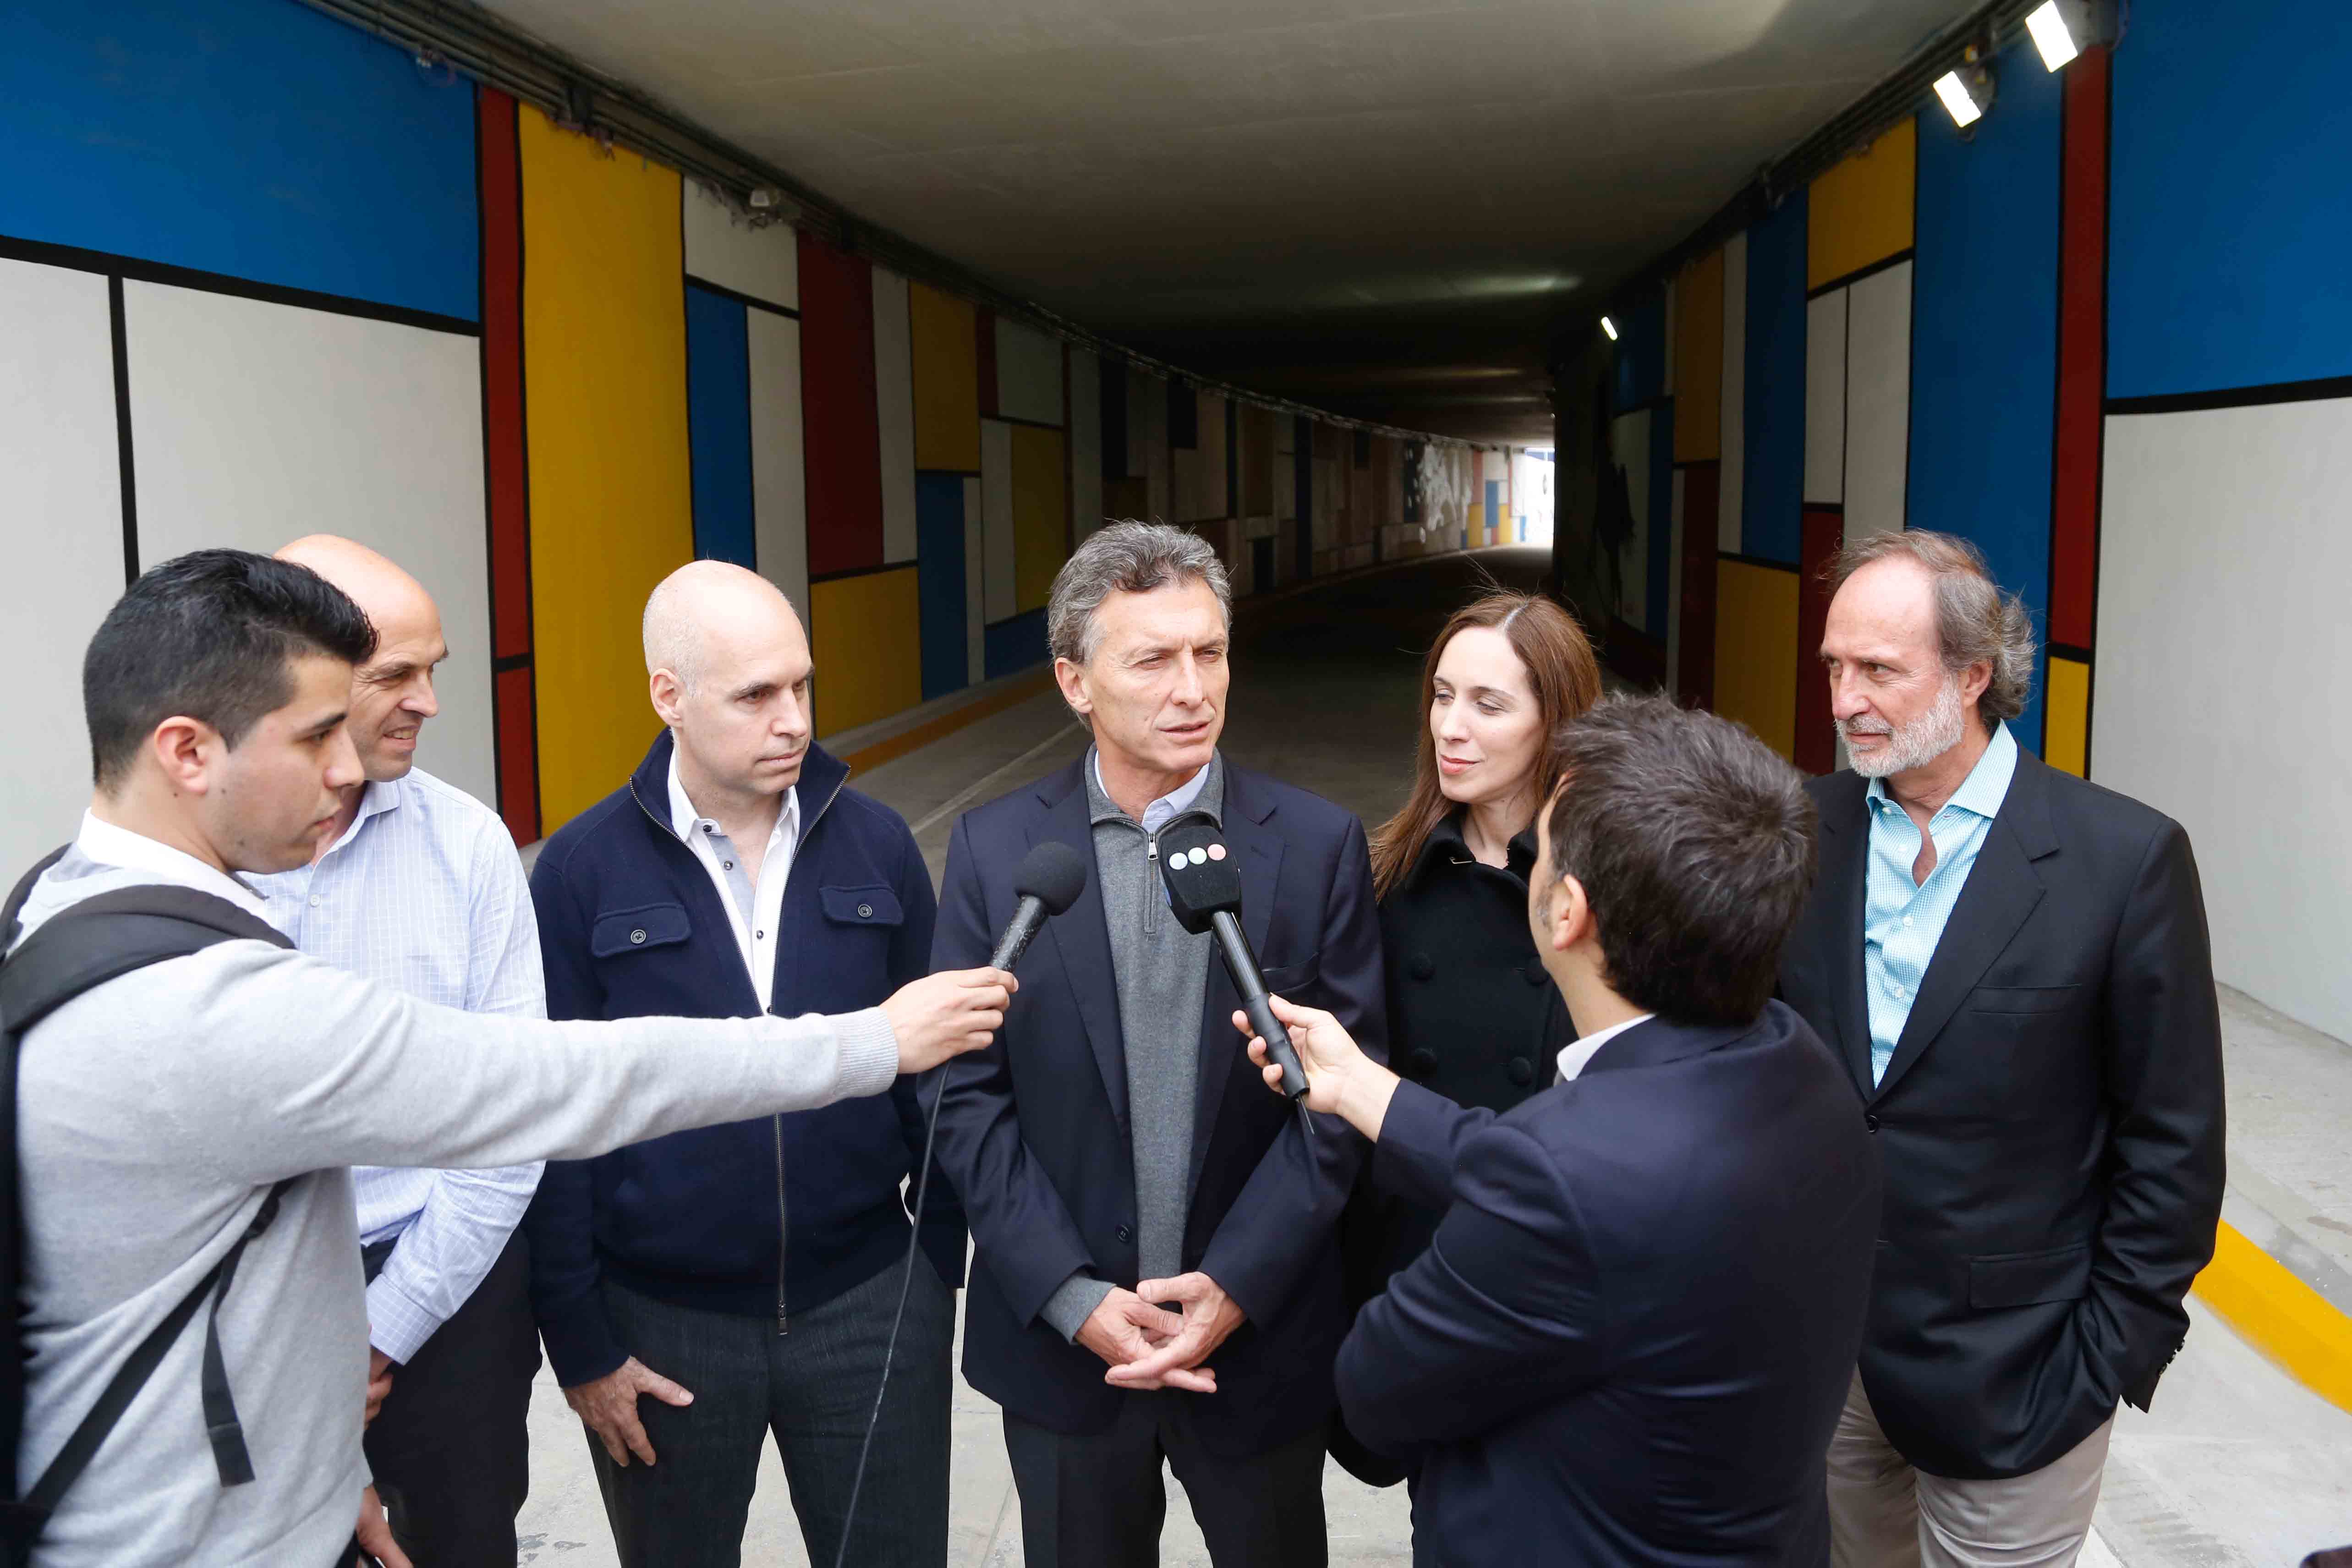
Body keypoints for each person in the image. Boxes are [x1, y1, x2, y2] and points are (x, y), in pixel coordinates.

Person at [2, 549, 1010, 1568]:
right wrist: (872, 1039)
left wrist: (312, 1472)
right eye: (316, 735)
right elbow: (564, 1081)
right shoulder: (218, 1006)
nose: (348, 766)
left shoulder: (50, 914)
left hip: (240, 1487)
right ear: (185, 752)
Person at [1238, 694, 1881, 1567]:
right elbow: (1577, 1184)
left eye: (1542, 842)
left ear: (1566, 909)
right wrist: (1364, 1088)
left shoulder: (1562, 1172)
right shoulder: (1800, 1065)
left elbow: (1376, 1393)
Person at [929, 521, 1386, 1567]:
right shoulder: (996, 852)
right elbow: (961, 1095)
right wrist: (1069, 1294)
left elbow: (1344, 1103)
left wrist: (1235, 1283)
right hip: (1064, 1355)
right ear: (1074, 683)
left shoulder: (1315, 846)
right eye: (1153, 659)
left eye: (1210, 652)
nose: (1194, 688)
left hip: (1255, 1345)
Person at [1779, 530, 2225, 1567]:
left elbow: (2173, 1140)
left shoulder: (2122, 860)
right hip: (1826, 1361)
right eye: (1833, 667)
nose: (1844, 698)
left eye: (1878, 671)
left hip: (2020, 1377)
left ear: (1973, 675)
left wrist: (2105, 1354)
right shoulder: (1800, 828)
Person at [522, 561, 962, 1568]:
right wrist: (582, 1341)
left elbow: (937, 1076)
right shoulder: (582, 873)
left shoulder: (878, 848)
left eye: (801, 685)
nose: (794, 719)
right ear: (666, 695)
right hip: (663, 1330)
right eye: (756, 694)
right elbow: (552, 1118)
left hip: (866, 1303)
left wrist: (933, 1268)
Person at [240, 536, 543, 1568]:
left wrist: (382, 1328)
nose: (429, 701)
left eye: (435, 670)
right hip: (246, 1308)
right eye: (395, 676)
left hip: (447, 1291)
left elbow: (514, 1118)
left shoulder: (468, 846)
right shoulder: (199, 864)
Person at [1336, 590, 1601, 1481]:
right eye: (1442, 695)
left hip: (1560, 1287)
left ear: (1555, 723)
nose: (1451, 725)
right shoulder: (1382, 878)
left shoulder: (1612, 897)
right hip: (1427, 1282)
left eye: (1488, 704)